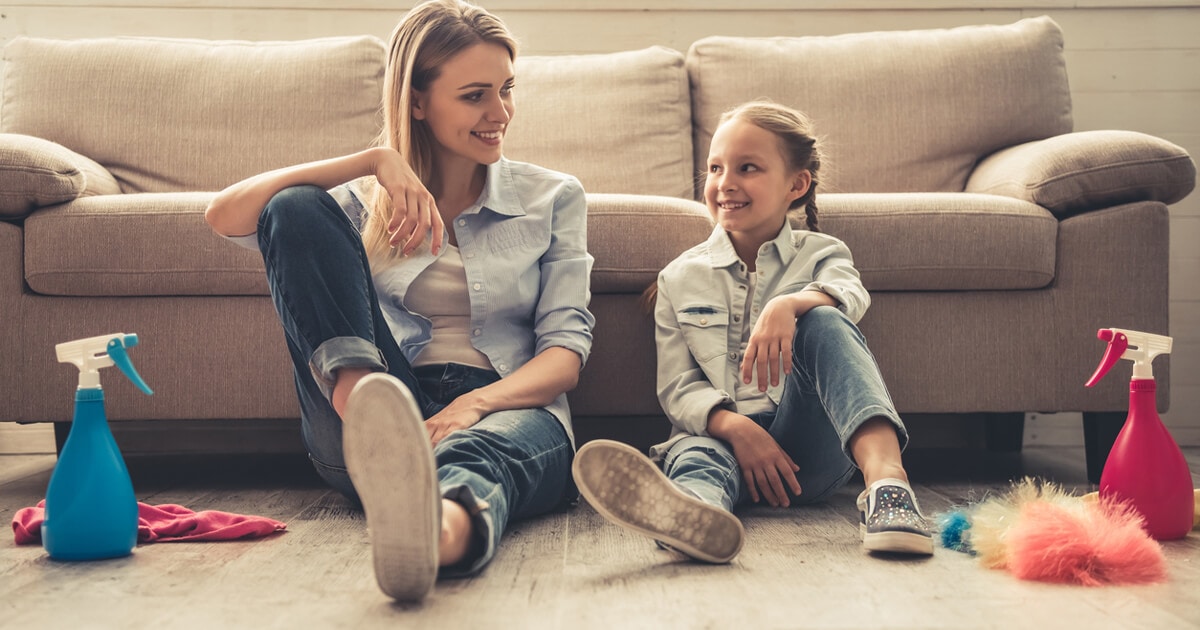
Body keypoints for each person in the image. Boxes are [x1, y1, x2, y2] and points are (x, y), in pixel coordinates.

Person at [204, 0, 593, 601]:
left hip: (504, 409)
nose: (500, 113)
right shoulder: (364, 198)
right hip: (383, 395)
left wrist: (472, 406)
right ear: (417, 101)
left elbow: (564, 355)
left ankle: (433, 533)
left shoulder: (555, 198)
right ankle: (371, 418)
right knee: (295, 205)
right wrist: (372, 161)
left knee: (477, 454)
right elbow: (224, 215)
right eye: (475, 95)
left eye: (507, 90)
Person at [572, 101, 932, 563]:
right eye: (716, 168)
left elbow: (850, 295)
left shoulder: (822, 254)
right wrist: (735, 427)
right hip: (722, 441)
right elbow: (678, 386)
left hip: (806, 456)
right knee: (697, 455)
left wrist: (790, 304)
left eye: (748, 168)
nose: (725, 183)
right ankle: (692, 517)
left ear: (796, 185)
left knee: (824, 318)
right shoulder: (679, 277)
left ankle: (888, 489)